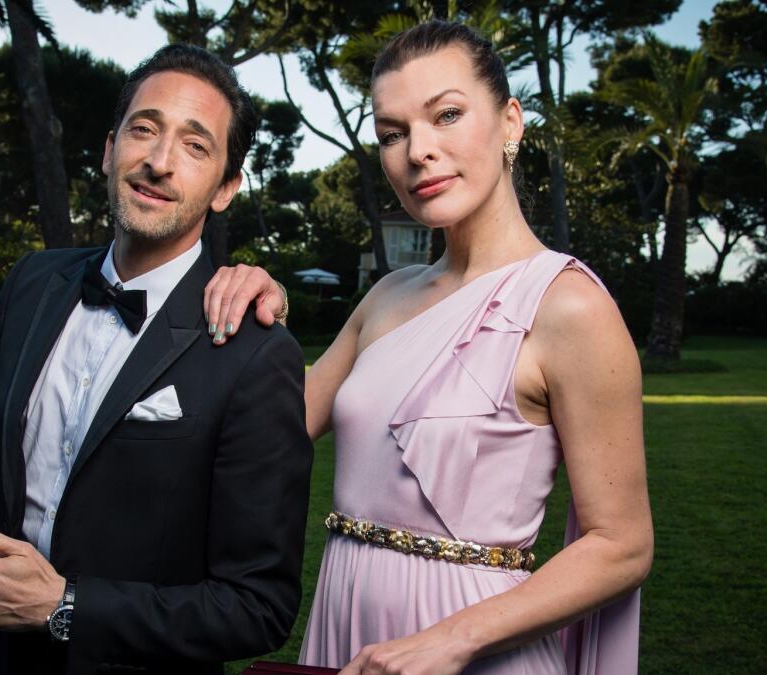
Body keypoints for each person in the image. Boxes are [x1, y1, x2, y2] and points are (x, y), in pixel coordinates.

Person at [204, 21, 653, 674]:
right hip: (347, 627)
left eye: (446, 115)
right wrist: (257, 304)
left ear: (510, 123)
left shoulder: (568, 305)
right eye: (392, 133)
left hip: (474, 649)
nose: (418, 151)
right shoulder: (386, 296)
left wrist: (451, 639)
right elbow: (265, 432)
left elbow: (623, 544)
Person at [0, 44, 313, 675]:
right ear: (111, 149)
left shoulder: (256, 353)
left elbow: (259, 607)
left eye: (196, 146)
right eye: (145, 129)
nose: (160, 162)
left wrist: (61, 606)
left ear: (225, 188)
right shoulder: (30, 285)